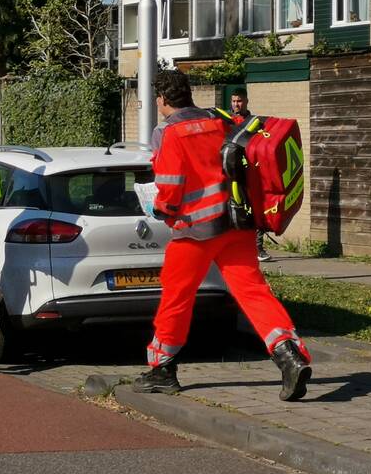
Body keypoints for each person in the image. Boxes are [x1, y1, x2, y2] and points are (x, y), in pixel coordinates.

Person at [133, 70, 312, 401]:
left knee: (176, 299)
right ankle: (290, 355)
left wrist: (158, 208)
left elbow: (170, 190)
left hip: (194, 233)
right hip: (236, 224)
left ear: (161, 100)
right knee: (254, 293)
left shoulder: (170, 133)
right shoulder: (221, 119)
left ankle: (162, 369)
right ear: (188, 94)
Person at [229, 88, 273, 263]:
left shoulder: (254, 123)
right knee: (234, 209)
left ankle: (258, 248)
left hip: (251, 173)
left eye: (239, 101)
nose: (235, 104)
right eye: (233, 101)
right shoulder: (228, 121)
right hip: (231, 172)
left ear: (246, 101)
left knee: (254, 209)